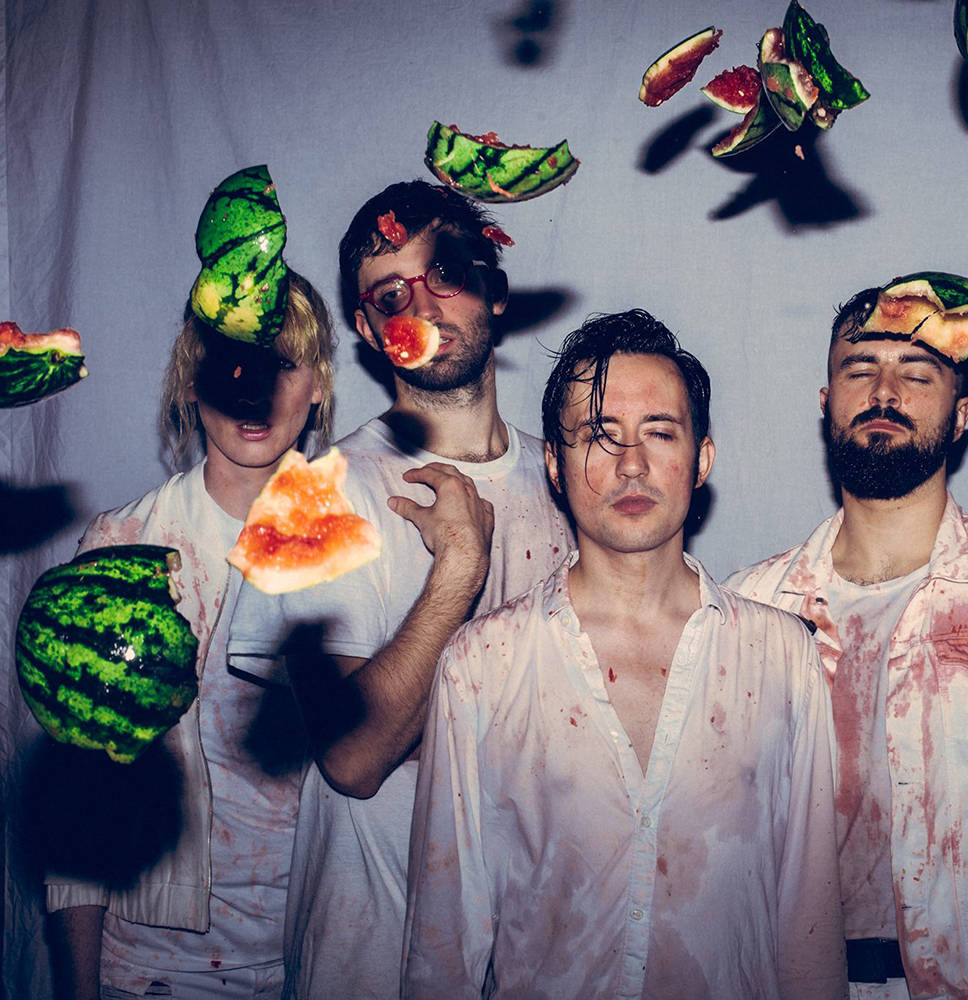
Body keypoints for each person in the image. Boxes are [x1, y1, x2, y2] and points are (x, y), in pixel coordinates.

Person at [402, 310, 845, 999]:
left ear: (701, 460)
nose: (631, 463)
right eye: (598, 436)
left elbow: (809, 921)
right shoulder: (482, 665)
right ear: (555, 466)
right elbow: (444, 943)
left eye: (660, 433)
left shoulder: (782, 657)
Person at [226, 182, 572, 1000]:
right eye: (390, 296)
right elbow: (352, 759)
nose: (420, 304)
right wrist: (458, 571)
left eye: (444, 273)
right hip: (369, 968)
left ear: (494, 287)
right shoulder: (311, 496)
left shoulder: (571, 483)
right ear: (367, 328)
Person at [728, 283, 968, 999]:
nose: (884, 392)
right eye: (860, 369)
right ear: (825, 402)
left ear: (961, 416)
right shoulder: (750, 610)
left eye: (917, 374)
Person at [45, 273, 337, 999]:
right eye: (230, 361)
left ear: (319, 387)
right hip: (154, 972)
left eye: (283, 362)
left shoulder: (363, 548)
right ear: (189, 378)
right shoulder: (123, 545)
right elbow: (79, 809)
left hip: (325, 961)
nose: (253, 389)